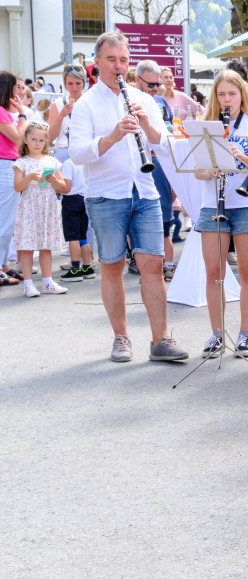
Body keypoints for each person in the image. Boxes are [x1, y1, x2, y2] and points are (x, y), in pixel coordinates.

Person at [69, 30, 189, 363]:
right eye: (112, 60)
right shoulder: (85, 105)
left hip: (145, 191)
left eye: (123, 60)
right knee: (112, 266)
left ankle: (160, 339)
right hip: (105, 194)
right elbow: (78, 153)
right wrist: (111, 136)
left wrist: (148, 124)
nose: (118, 67)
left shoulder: (143, 99)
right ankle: (121, 338)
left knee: (153, 263)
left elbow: (162, 145)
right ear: (97, 62)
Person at [193, 70, 248, 359]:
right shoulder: (208, 126)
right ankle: (217, 333)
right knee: (215, 272)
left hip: (246, 204)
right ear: (215, 97)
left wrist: (245, 159)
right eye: (222, 94)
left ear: (242, 95)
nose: (227, 100)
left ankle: (245, 334)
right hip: (213, 204)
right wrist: (212, 168)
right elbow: (199, 173)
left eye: (232, 94)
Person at [12, 122, 67, 297]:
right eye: (34, 139)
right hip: (29, 208)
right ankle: (28, 284)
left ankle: (47, 282)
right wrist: (29, 177)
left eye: (41, 140)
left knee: (46, 246)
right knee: (28, 247)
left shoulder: (52, 161)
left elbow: (64, 187)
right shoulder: (21, 163)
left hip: (47, 208)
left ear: (46, 142)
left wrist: (53, 181)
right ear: (26, 140)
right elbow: (17, 187)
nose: (37, 143)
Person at [134, 59, 176, 282]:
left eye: (157, 84)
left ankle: (165, 266)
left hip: (158, 162)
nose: (154, 89)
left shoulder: (159, 100)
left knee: (165, 219)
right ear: (136, 80)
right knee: (145, 225)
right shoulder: (128, 99)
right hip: (140, 166)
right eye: (149, 84)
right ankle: (145, 266)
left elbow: (166, 133)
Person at [0, 70, 29, 285]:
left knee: (9, 221)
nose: (19, 91)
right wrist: (22, 113)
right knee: (5, 221)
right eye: (15, 86)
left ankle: (3, 265)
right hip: (4, 166)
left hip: (9, 165)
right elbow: (19, 138)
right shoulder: (1, 111)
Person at [58, 151, 96, 282]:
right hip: (84, 198)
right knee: (82, 236)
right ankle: (87, 266)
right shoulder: (86, 163)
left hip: (71, 200)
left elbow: (66, 188)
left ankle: (75, 269)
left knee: (72, 237)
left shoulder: (69, 163)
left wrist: (55, 184)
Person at [48, 64, 88, 162]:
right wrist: (61, 116)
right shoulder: (57, 104)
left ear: (84, 83)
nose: (74, 88)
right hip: (63, 152)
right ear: (65, 84)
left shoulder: (90, 102)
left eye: (78, 83)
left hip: (84, 150)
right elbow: (50, 137)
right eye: (70, 83)